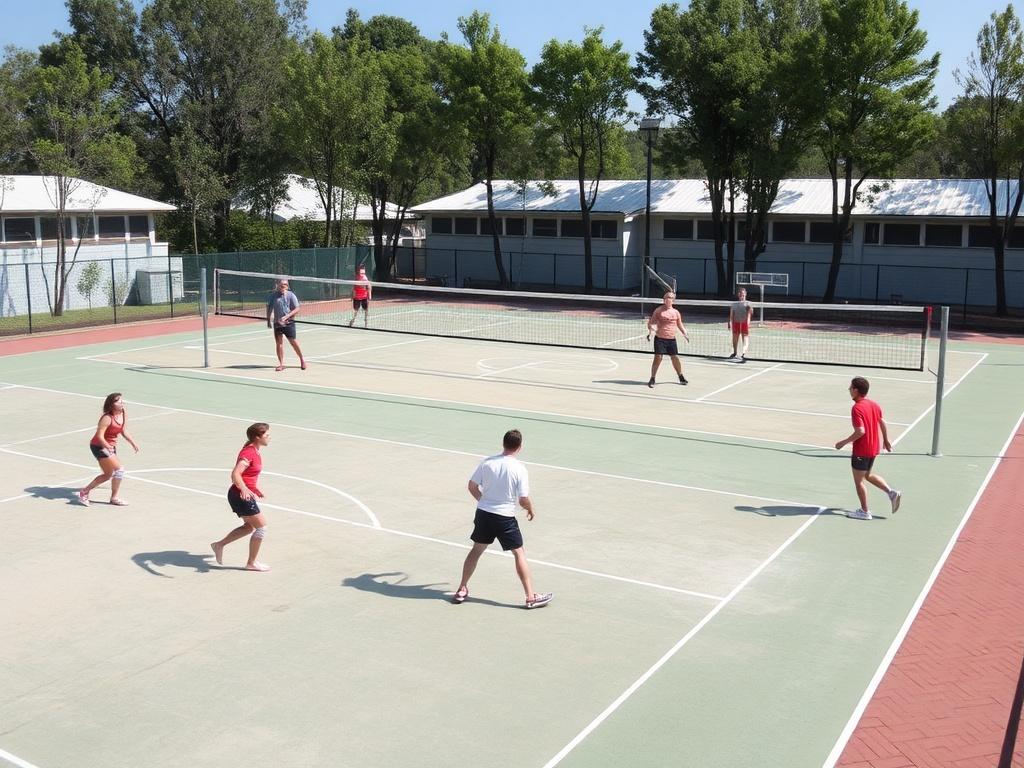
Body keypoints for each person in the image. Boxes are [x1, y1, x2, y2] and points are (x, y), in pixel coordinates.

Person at [452, 429, 553, 609]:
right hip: (504, 517)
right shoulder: (520, 469)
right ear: (519, 447)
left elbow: (472, 486)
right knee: (519, 553)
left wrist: (484, 501)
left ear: (503, 444)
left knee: (476, 550)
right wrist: (530, 509)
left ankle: (461, 589)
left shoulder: (487, 463)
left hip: (483, 514)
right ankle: (531, 597)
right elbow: (523, 499)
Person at [834, 377, 902, 520]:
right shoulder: (874, 404)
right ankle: (891, 493)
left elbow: (860, 431)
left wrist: (843, 442)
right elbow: (882, 422)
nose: (849, 390)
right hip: (873, 448)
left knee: (859, 481)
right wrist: (886, 440)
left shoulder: (857, 408)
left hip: (861, 450)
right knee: (867, 475)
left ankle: (865, 511)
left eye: (850, 388)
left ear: (856, 390)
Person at [211, 423, 272, 571]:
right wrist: (244, 488)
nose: (269, 437)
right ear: (257, 437)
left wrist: (254, 489)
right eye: (266, 435)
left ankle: (219, 545)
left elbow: (247, 475)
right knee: (261, 528)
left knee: (248, 527)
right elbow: (235, 474)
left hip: (241, 493)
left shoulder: (255, 451)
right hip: (240, 495)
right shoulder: (249, 453)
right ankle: (251, 563)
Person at [79, 392, 139, 506]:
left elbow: (123, 430)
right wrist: (107, 446)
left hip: (109, 446)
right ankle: (114, 498)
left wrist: (133, 443)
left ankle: (84, 492)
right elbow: (99, 436)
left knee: (108, 475)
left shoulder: (123, 414)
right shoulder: (107, 418)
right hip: (99, 446)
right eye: (117, 401)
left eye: (121, 400)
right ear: (111, 404)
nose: (121, 402)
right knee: (119, 470)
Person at [647, 291, 690, 387]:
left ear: (673, 300)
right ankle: (652, 378)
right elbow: (652, 323)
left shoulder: (676, 312)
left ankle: (681, 376)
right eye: (666, 297)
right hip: (660, 339)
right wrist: (651, 333)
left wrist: (685, 333)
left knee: (675, 358)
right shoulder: (658, 310)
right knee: (658, 357)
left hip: (671, 339)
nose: (667, 299)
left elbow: (680, 324)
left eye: (669, 297)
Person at [266, 278, 306, 372]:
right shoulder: (273, 296)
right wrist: (268, 320)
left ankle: (302, 360)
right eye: (281, 285)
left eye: (285, 285)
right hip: (277, 323)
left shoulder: (291, 295)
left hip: (289, 323)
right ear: (278, 286)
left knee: (293, 342)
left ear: (287, 286)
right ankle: (281, 364)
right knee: (279, 344)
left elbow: (297, 309)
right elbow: (269, 308)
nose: (283, 286)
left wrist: (287, 316)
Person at [728, 287, 753, 361]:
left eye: (743, 294)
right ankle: (735, 353)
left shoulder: (748, 303)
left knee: (745, 338)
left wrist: (748, 324)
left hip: (744, 323)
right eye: (740, 294)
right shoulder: (734, 304)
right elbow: (731, 315)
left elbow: (749, 314)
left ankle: (744, 353)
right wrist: (730, 322)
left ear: (745, 294)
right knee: (735, 339)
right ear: (738, 295)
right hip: (736, 323)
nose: (742, 295)